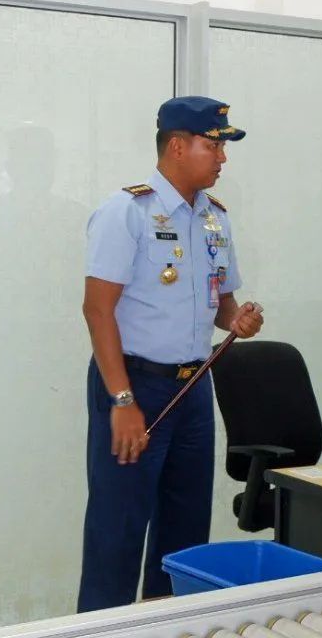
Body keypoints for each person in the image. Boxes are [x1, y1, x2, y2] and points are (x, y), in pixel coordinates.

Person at [77, 95, 264, 612]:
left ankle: (171, 623)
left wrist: (238, 320)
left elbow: (223, 306)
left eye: (223, 148)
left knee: (184, 534)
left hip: (194, 388)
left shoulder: (215, 218)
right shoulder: (127, 212)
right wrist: (122, 401)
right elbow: (97, 310)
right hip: (134, 385)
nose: (222, 158)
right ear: (177, 146)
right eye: (213, 146)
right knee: (117, 532)